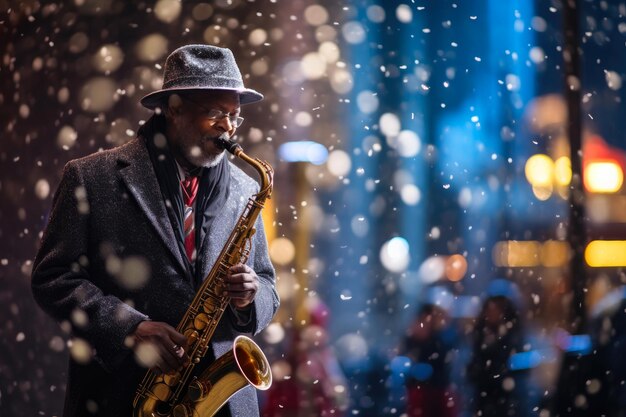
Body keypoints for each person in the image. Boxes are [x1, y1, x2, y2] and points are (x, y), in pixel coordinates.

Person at [31, 44, 280, 417]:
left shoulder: (248, 188)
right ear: (173, 109)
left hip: (221, 401)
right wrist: (131, 328)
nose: (227, 127)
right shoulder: (90, 177)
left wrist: (251, 297)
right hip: (120, 393)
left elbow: (267, 283)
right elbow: (53, 279)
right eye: (214, 113)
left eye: (234, 115)